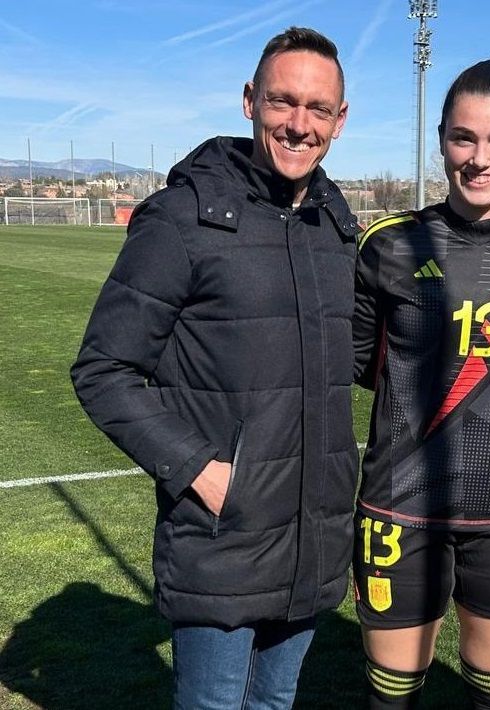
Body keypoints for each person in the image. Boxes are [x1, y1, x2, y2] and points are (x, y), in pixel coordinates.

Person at [70, 27, 360, 709]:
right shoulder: (182, 219)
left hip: (312, 538)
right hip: (221, 538)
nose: (299, 124)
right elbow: (103, 369)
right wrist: (202, 470)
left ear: (339, 121)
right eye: (282, 102)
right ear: (249, 101)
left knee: (274, 704)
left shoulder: (334, 226)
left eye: (318, 109)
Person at [352, 58, 490, 709]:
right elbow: (360, 367)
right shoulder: (387, 245)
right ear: (441, 138)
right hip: (399, 511)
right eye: (463, 138)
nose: (479, 159)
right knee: (392, 700)